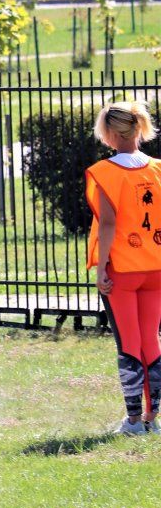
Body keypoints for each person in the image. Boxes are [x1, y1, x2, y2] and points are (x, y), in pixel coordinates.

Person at [86, 101, 161, 436]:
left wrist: (101, 269)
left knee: (129, 342)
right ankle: (153, 418)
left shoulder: (104, 172)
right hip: (156, 267)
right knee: (151, 341)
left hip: (124, 269)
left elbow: (108, 225)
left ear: (112, 134)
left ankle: (132, 420)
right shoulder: (158, 169)